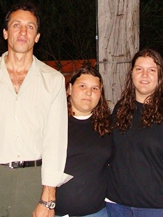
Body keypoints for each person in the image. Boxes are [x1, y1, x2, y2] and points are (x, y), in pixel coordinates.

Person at [0, 2, 71, 216]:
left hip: (32, 181)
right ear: (5, 32)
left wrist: (48, 195)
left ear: (37, 36)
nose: (23, 31)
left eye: (30, 27)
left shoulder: (53, 80)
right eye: (16, 25)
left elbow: (55, 141)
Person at [106, 48, 163, 216]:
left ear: (160, 76)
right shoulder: (121, 108)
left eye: (152, 70)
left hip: (155, 209)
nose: (144, 75)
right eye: (139, 69)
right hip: (116, 206)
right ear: (131, 74)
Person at [55, 66, 112, 217]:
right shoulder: (53, 124)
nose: (89, 92)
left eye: (95, 88)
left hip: (97, 213)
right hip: (57, 212)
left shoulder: (109, 127)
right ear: (69, 89)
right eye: (82, 86)